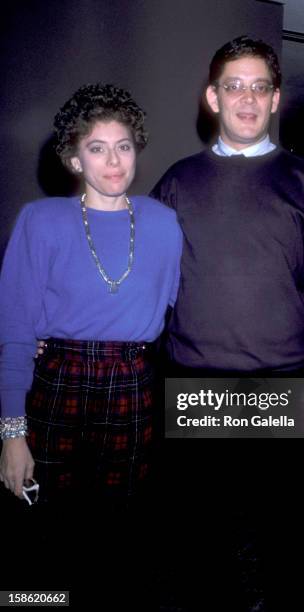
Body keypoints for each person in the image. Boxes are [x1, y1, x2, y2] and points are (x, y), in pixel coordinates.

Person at [151, 35, 304, 456]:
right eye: (234, 86)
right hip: (192, 389)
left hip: (280, 389)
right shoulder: (176, 182)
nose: (248, 98)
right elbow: (141, 282)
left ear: (275, 99)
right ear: (213, 96)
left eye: (260, 87)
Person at [0, 83, 182, 508]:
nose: (115, 161)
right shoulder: (40, 220)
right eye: (97, 148)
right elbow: (16, 333)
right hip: (59, 378)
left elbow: (177, 307)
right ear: (75, 158)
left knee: (121, 521)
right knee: (47, 516)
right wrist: (11, 434)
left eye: (124, 146)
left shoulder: (164, 223)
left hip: (132, 381)